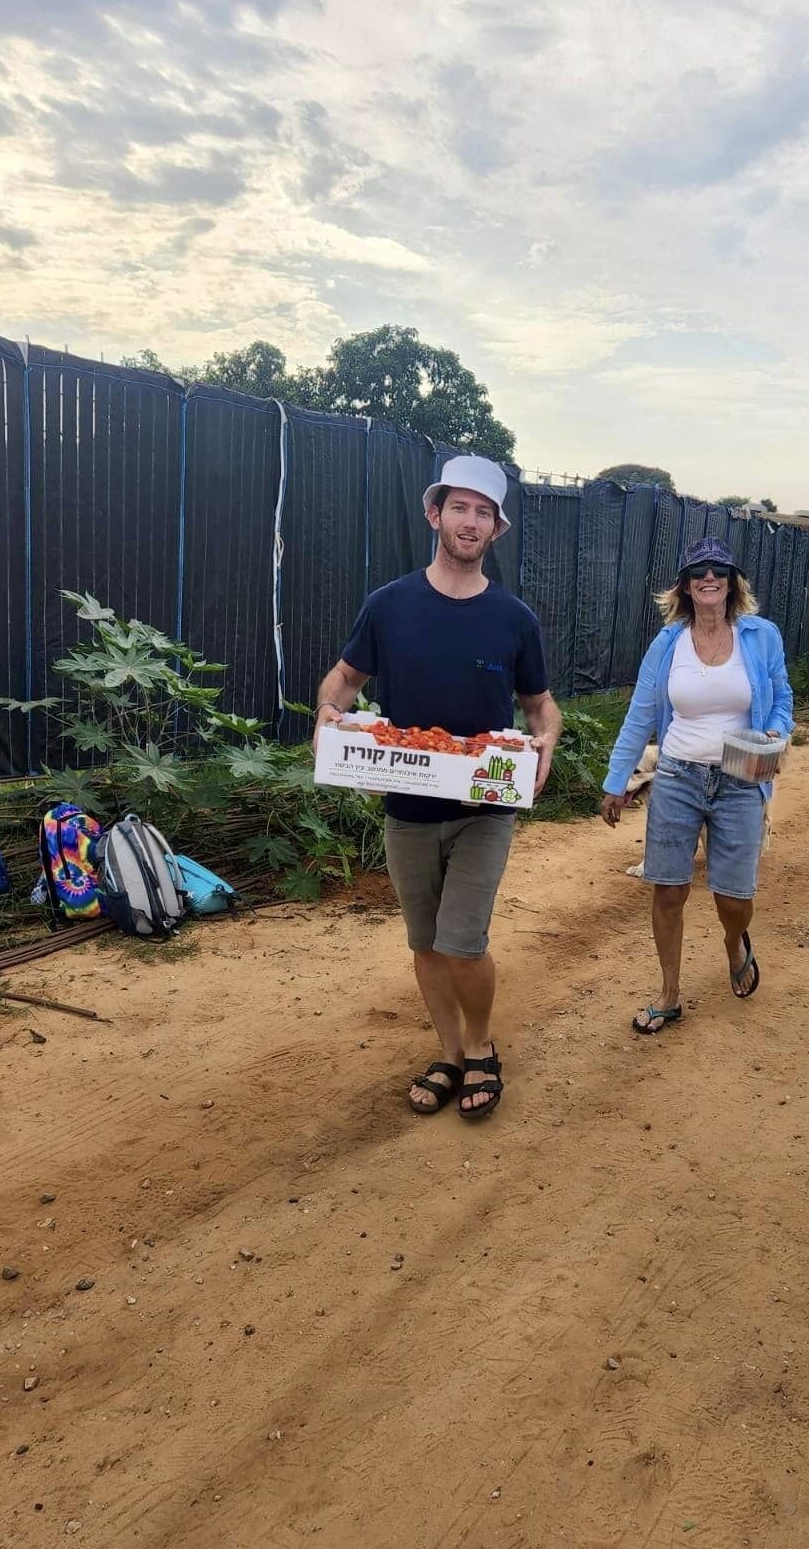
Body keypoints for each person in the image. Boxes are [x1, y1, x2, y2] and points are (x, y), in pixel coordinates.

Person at [312, 454, 561, 1119]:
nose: (470, 521)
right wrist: (328, 718)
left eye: (484, 512)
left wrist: (547, 741)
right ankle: (449, 1052)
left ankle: (481, 1046)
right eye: (460, 507)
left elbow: (540, 705)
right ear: (435, 514)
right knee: (424, 942)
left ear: (496, 529)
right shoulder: (389, 606)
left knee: (462, 941)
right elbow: (340, 685)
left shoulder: (513, 619)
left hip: (484, 806)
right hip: (407, 806)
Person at [600, 537, 793, 1034]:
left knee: (734, 896)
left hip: (740, 778)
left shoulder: (760, 635)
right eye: (698, 571)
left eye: (720, 571)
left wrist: (776, 730)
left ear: (732, 583)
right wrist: (617, 780)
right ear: (685, 585)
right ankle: (669, 993)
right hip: (678, 776)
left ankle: (734, 941)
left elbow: (781, 696)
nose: (710, 578)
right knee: (668, 890)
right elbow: (641, 713)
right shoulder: (668, 645)